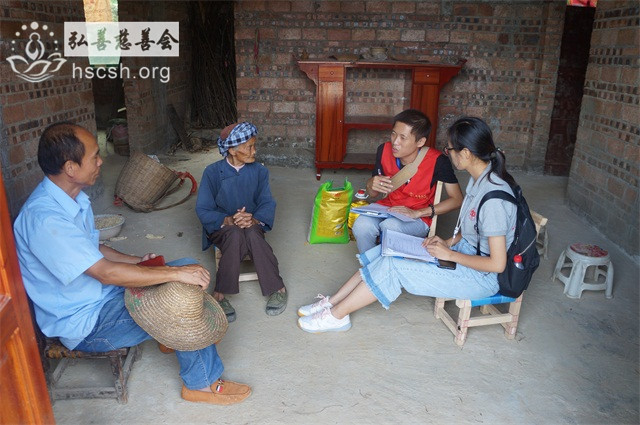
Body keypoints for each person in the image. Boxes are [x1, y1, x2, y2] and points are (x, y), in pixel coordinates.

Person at [13, 122, 250, 405]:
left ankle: (175, 339)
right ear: (71, 168)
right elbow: (104, 273)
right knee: (180, 302)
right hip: (88, 323)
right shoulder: (45, 220)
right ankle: (201, 383)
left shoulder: (72, 199)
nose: (101, 162)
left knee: (187, 266)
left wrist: (140, 263)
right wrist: (173, 274)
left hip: (104, 296)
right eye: (94, 156)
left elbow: (94, 249)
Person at [297, 117, 517, 333]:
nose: (447, 153)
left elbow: (497, 265)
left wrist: (450, 254)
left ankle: (337, 316)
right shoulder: (479, 182)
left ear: (466, 153)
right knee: (385, 253)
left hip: (480, 278)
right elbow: (472, 233)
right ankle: (333, 302)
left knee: (393, 266)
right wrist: (447, 243)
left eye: (449, 149)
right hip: (462, 254)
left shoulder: (493, 200)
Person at [196, 122, 287, 322]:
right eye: (249, 147)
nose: (255, 151)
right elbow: (203, 209)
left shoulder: (260, 172)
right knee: (236, 234)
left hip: (251, 223)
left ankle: (277, 288)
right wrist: (228, 219)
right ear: (232, 150)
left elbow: (266, 202)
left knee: (253, 233)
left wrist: (253, 219)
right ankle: (221, 293)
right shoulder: (212, 172)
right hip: (223, 228)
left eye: (254, 145)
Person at [352, 109, 463, 253]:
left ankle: (387, 264)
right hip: (387, 208)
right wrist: (370, 184)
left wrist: (419, 213)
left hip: (418, 217)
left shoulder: (438, 161)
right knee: (361, 225)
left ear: (420, 141)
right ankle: (370, 262)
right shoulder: (383, 150)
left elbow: (457, 200)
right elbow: (373, 194)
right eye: (393, 134)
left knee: (390, 227)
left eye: (403, 138)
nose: (395, 142)